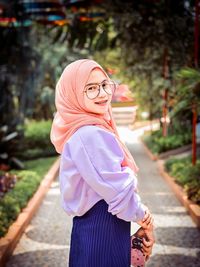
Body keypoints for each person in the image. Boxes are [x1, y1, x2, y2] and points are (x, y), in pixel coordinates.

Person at [50, 59, 155, 267]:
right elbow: (118, 191)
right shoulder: (89, 134)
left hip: (98, 227)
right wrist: (146, 219)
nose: (102, 93)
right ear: (72, 94)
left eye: (105, 85)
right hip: (101, 228)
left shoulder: (89, 129)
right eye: (90, 88)